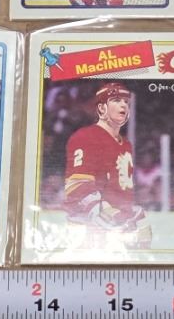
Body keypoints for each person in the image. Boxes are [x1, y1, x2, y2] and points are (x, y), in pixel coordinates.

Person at [62, 83, 147, 244]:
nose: (123, 105)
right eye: (116, 100)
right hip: (88, 229)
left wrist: (129, 214)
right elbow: (77, 186)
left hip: (117, 228)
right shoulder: (86, 136)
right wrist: (103, 212)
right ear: (101, 108)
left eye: (126, 102)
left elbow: (121, 189)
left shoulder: (126, 144)